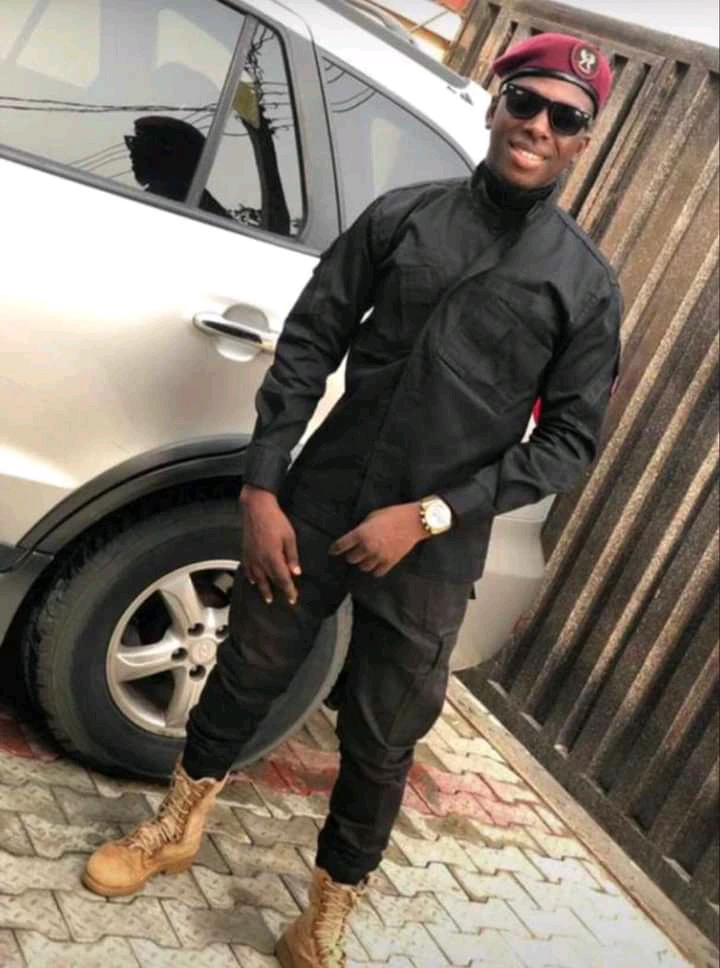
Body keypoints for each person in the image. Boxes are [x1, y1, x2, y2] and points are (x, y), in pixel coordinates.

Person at [83, 33, 621, 967]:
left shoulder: (584, 285)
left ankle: (324, 913)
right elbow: (310, 339)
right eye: (525, 103)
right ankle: (176, 826)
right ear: (496, 107)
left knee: (383, 734)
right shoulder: (404, 217)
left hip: (435, 544)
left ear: (582, 140)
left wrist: (431, 515)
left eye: (563, 117)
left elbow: (569, 442)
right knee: (247, 668)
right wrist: (263, 485)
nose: (538, 125)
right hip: (323, 499)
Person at [125, 115, 229, 218]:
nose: (131, 154)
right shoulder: (197, 203)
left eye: (139, 145)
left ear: (167, 155)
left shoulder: (167, 201)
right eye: (133, 144)